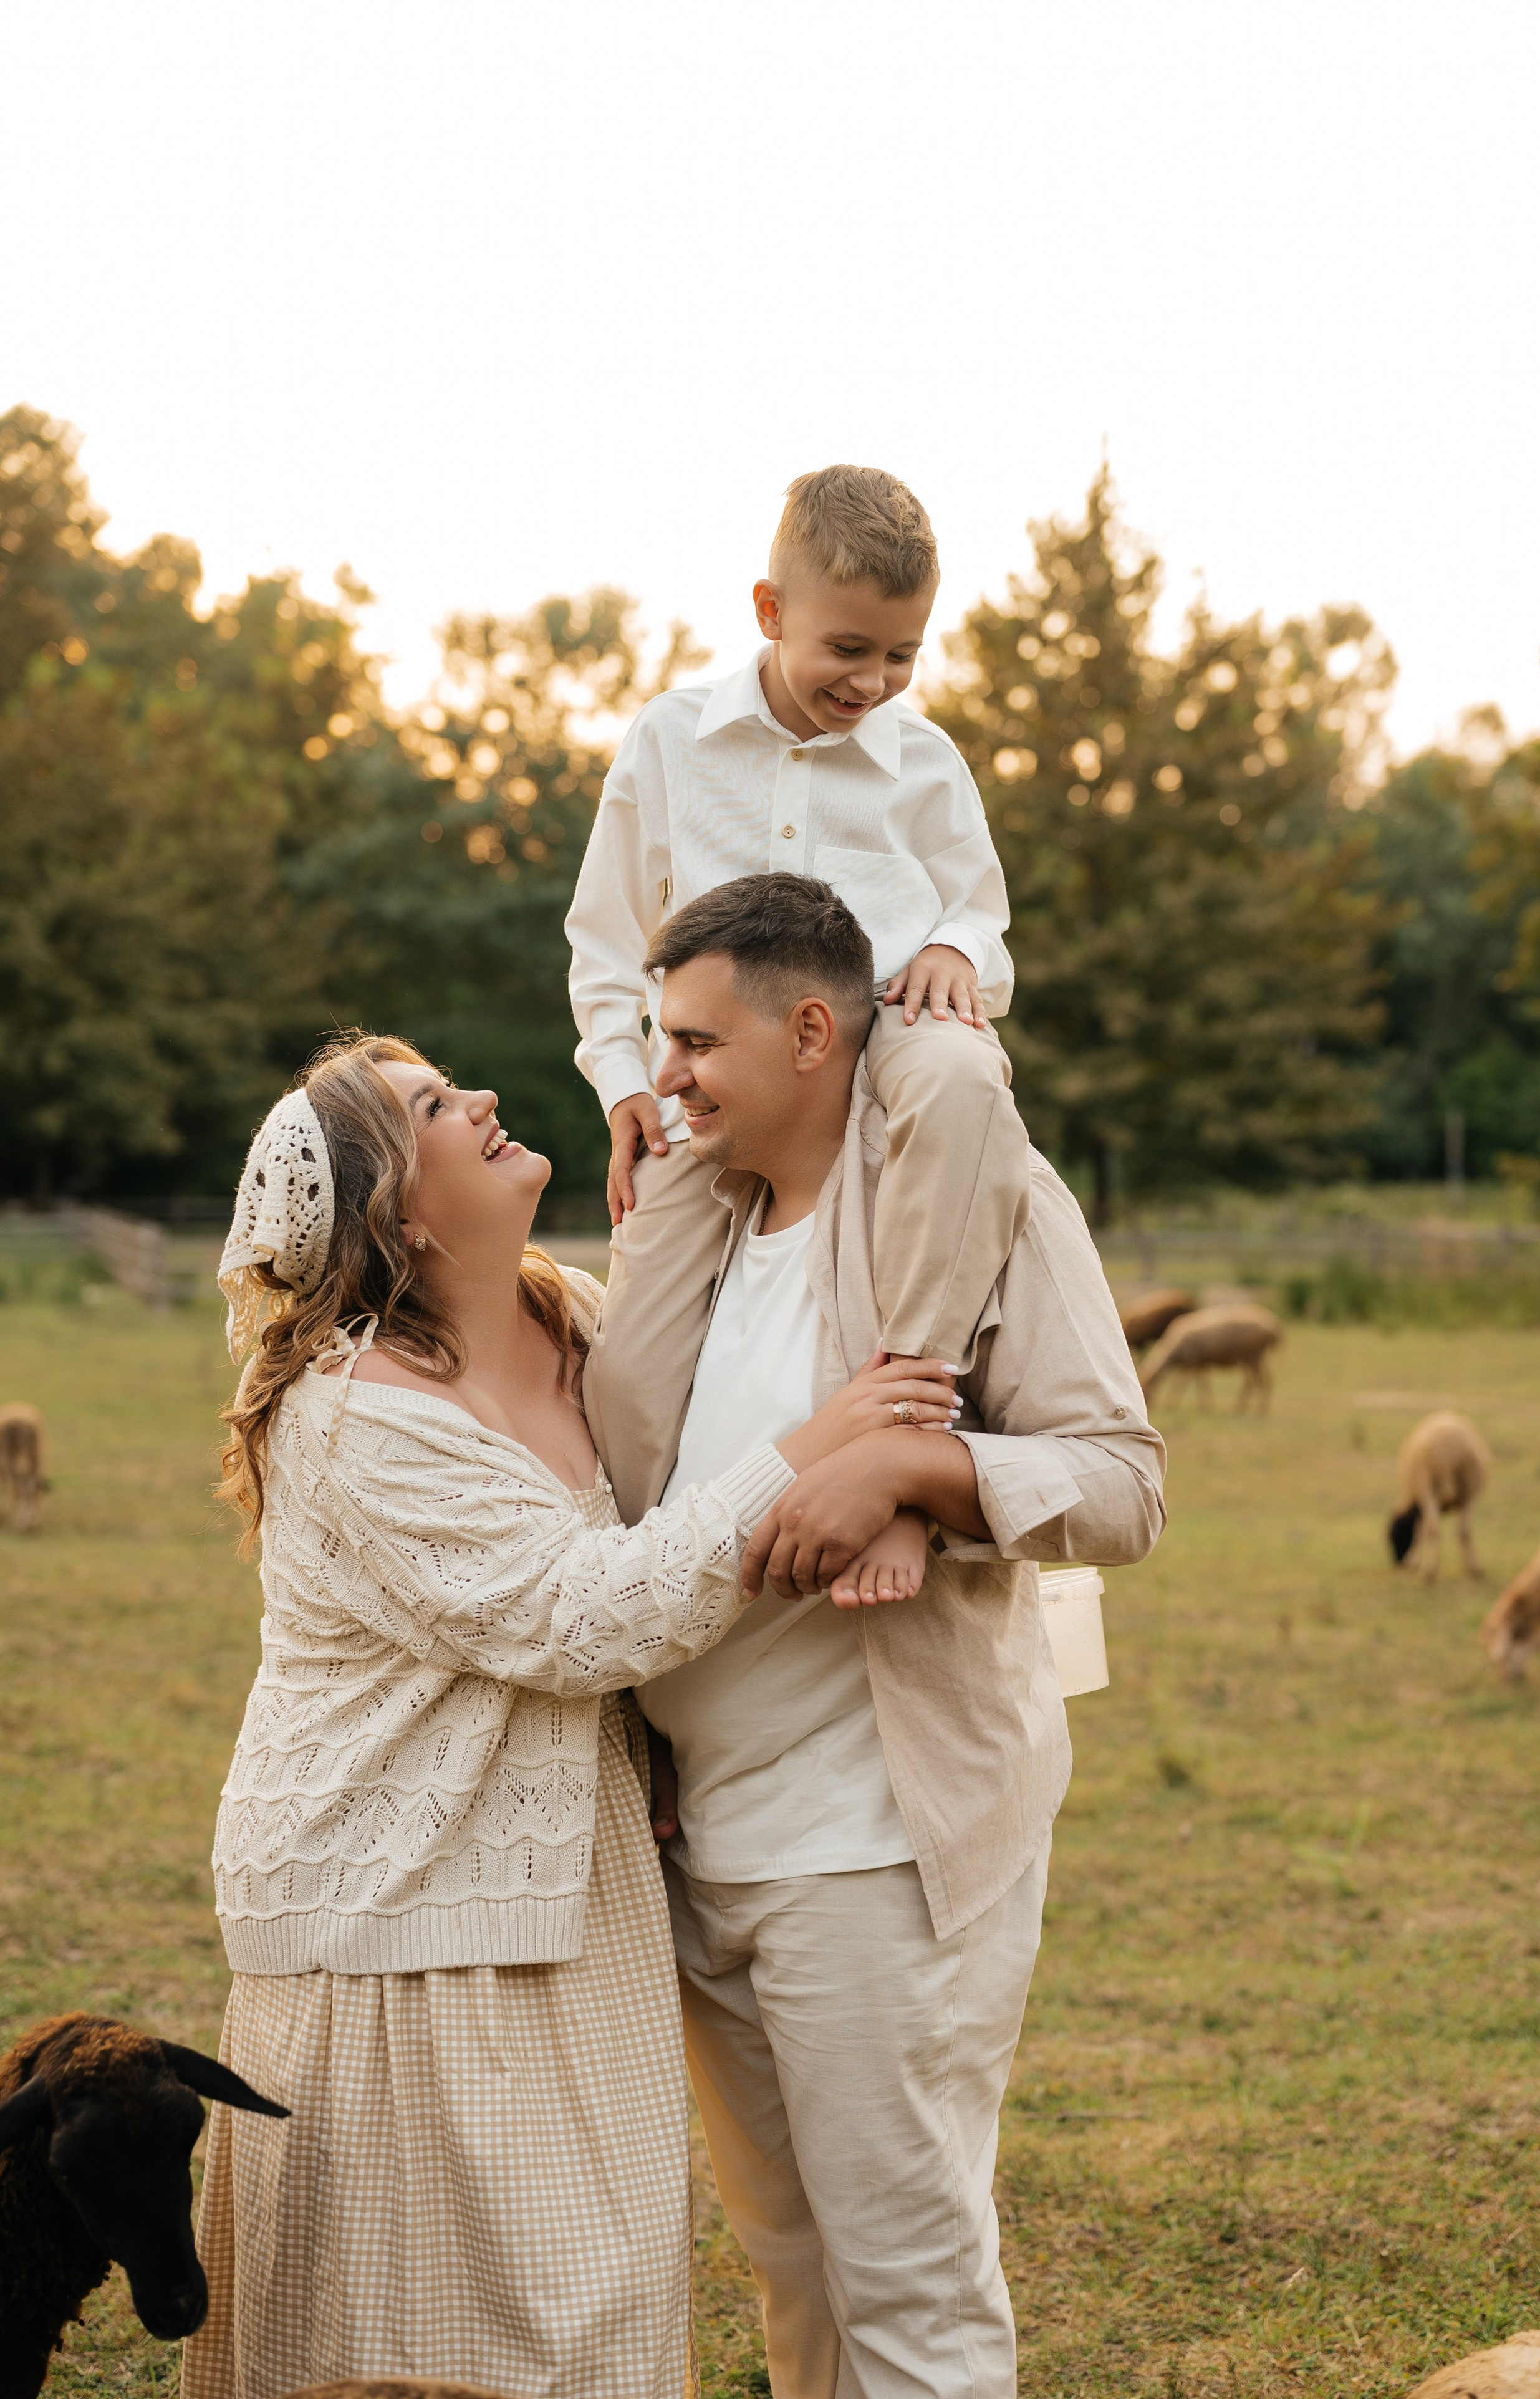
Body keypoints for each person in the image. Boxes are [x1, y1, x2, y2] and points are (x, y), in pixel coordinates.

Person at [181, 1032, 960, 2399]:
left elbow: (649, 1525)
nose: (482, 1097)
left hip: (577, 1887)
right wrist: (821, 1445)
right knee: (424, 2343)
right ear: (399, 1216)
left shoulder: (576, 1317)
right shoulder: (348, 1418)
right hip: (398, 1917)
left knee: (596, 2301)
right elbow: (578, 1614)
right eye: (434, 1105)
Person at [616, 875, 1168, 2399]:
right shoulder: (694, 1229)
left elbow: (1122, 1483)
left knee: (906, 2279)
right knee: (789, 2264)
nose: (664, 1074)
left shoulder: (985, 1197)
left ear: (811, 1032)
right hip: (703, 1844)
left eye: (694, 1041)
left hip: (875, 1848)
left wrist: (916, 1471)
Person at [566, 461, 1033, 1524]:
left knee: (963, 1071)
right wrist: (623, 1082)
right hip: (714, 1074)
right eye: (848, 649)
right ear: (771, 612)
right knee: (629, 1373)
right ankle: (637, 1562)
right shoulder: (670, 741)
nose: (873, 681)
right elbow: (605, 936)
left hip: (884, 1034)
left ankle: (912, 1393)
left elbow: (982, 912)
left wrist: (956, 948)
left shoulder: (926, 762)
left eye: (902, 655)